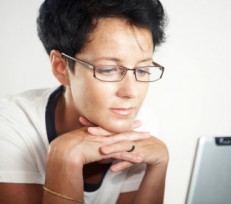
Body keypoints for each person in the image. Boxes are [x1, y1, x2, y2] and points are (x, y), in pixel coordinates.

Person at [0, 0, 168, 203]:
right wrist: (65, 157)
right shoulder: (9, 125)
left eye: (142, 70)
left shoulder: (143, 123)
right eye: (108, 70)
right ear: (61, 68)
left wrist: (159, 164)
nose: (131, 92)